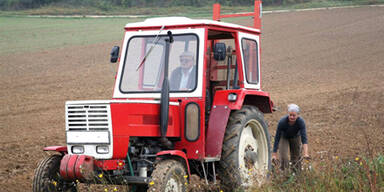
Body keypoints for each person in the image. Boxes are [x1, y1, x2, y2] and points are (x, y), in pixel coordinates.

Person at [272, 104, 309, 172]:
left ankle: (296, 175)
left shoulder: (301, 122)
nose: (291, 117)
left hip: (295, 137)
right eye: (290, 115)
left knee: (296, 158)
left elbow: (304, 138)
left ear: (298, 115)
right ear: (288, 114)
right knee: (284, 157)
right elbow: (277, 138)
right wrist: (274, 154)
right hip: (284, 137)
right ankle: (284, 174)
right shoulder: (282, 122)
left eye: (294, 115)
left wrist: (306, 153)